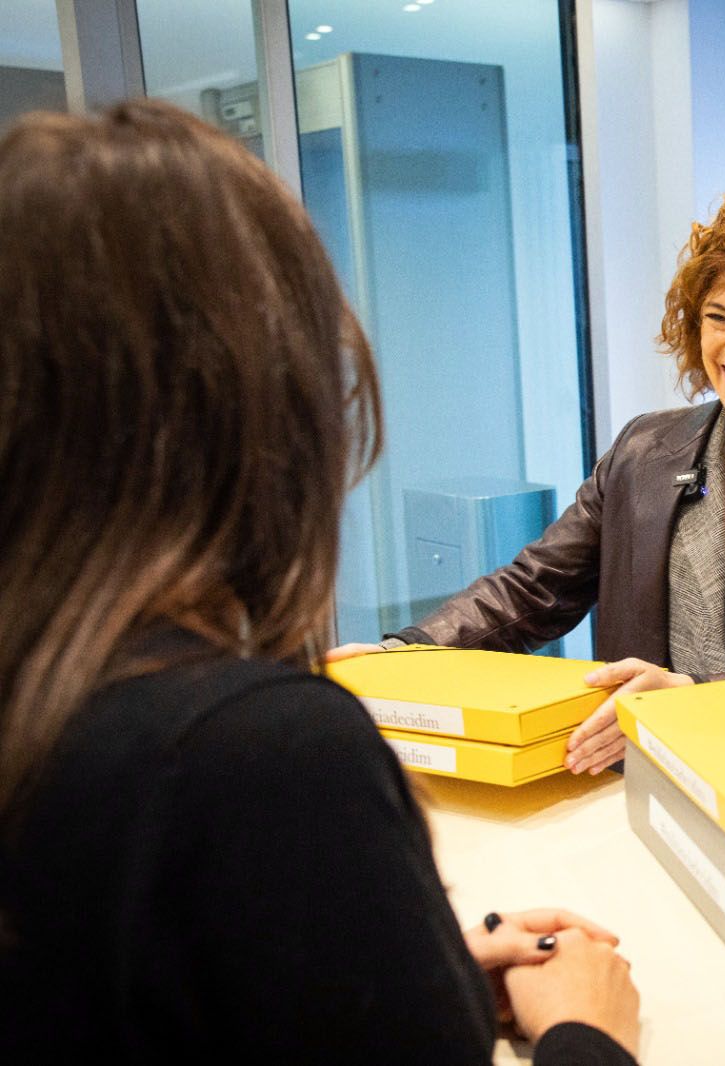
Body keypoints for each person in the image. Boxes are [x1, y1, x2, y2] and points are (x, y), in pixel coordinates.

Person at [0, 101, 639, 1064]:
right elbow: (535, 582)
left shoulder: (48, 682)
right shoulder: (258, 752)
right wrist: (588, 1034)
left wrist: (406, 977)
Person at [336, 191, 725, 775]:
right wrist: (408, 656)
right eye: (718, 318)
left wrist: (689, 701)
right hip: (634, 778)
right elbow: (535, 587)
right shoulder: (644, 450)